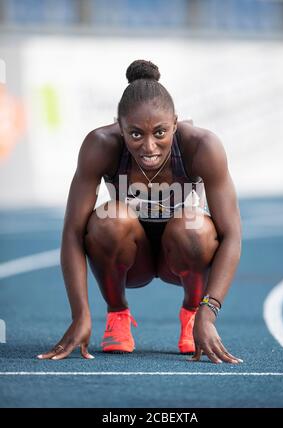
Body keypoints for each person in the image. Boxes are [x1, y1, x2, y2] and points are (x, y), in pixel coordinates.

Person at [37, 59, 243, 364]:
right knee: (110, 218)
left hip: (184, 257)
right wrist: (80, 315)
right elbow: (72, 231)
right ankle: (117, 313)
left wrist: (208, 311)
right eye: (135, 134)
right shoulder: (100, 145)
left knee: (193, 225)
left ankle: (190, 314)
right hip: (132, 259)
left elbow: (232, 235)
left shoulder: (202, 147)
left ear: (175, 123)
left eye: (160, 132)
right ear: (120, 128)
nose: (149, 147)